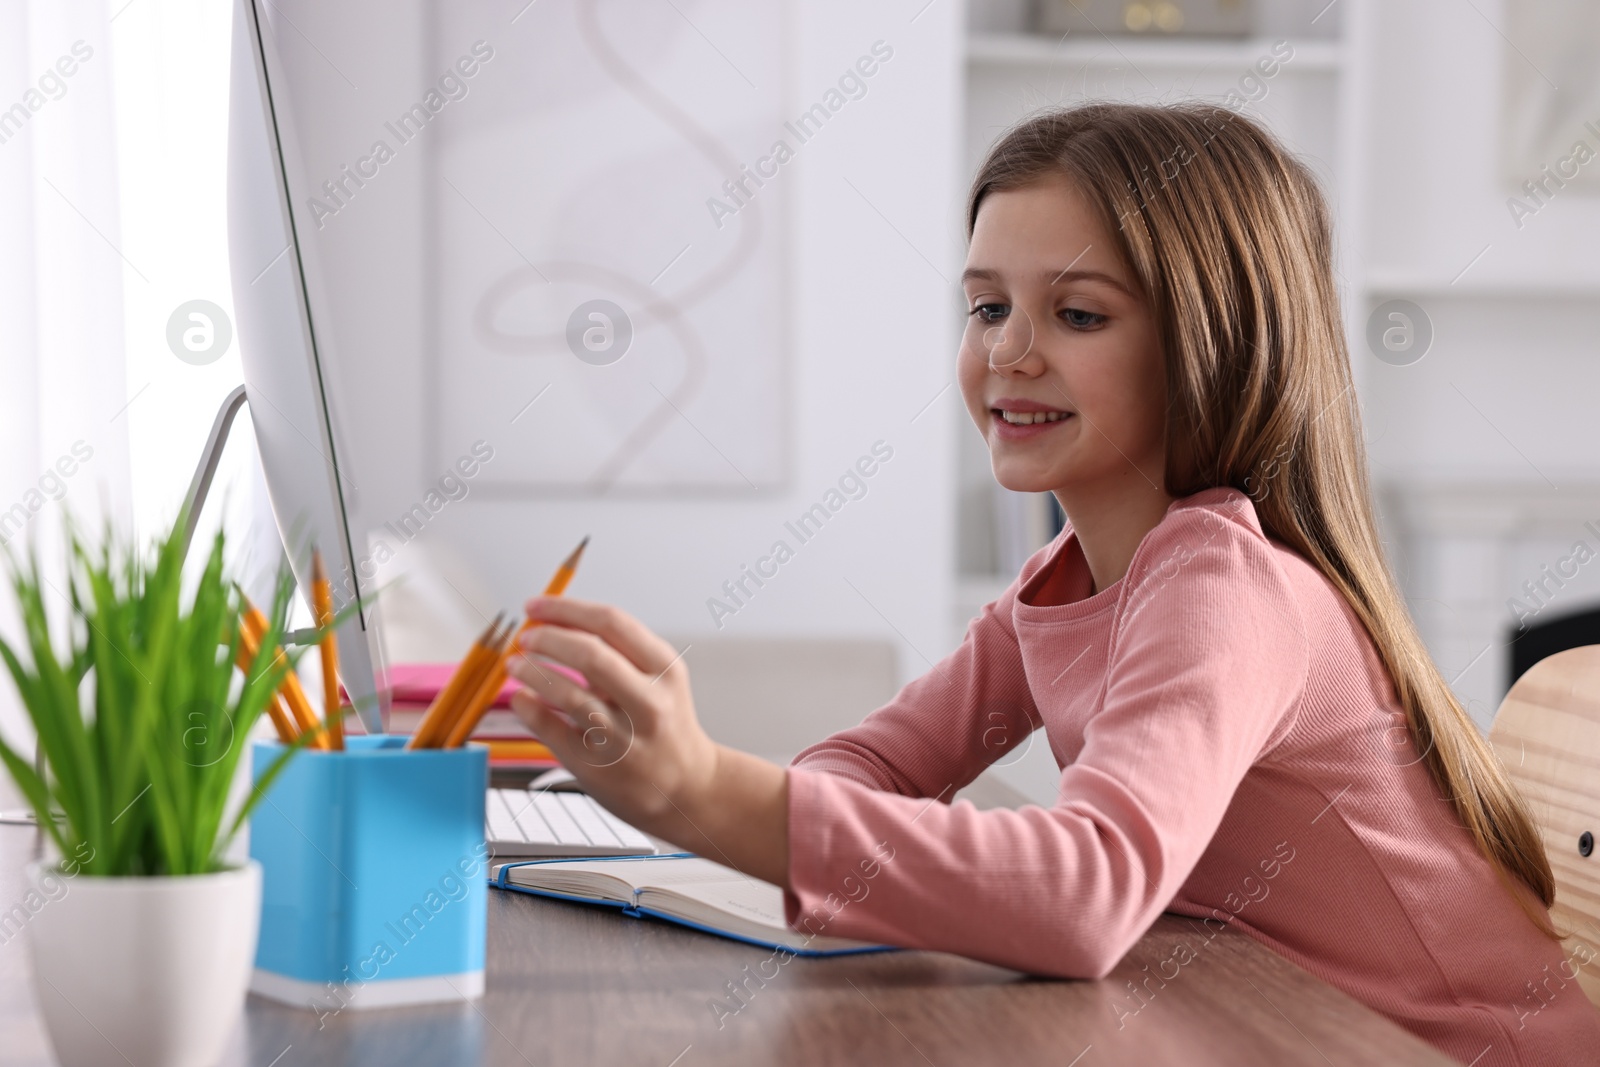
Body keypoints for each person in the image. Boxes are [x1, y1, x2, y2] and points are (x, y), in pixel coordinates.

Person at [505, 102, 1600, 1065]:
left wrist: (703, 790)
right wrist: (731, 802)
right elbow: (878, 761)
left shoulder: (1224, 587)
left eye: (1076, 314)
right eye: (986, 308)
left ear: (1208, 347)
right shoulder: (1061, 582)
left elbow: (1086, 890)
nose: (1009, 353)